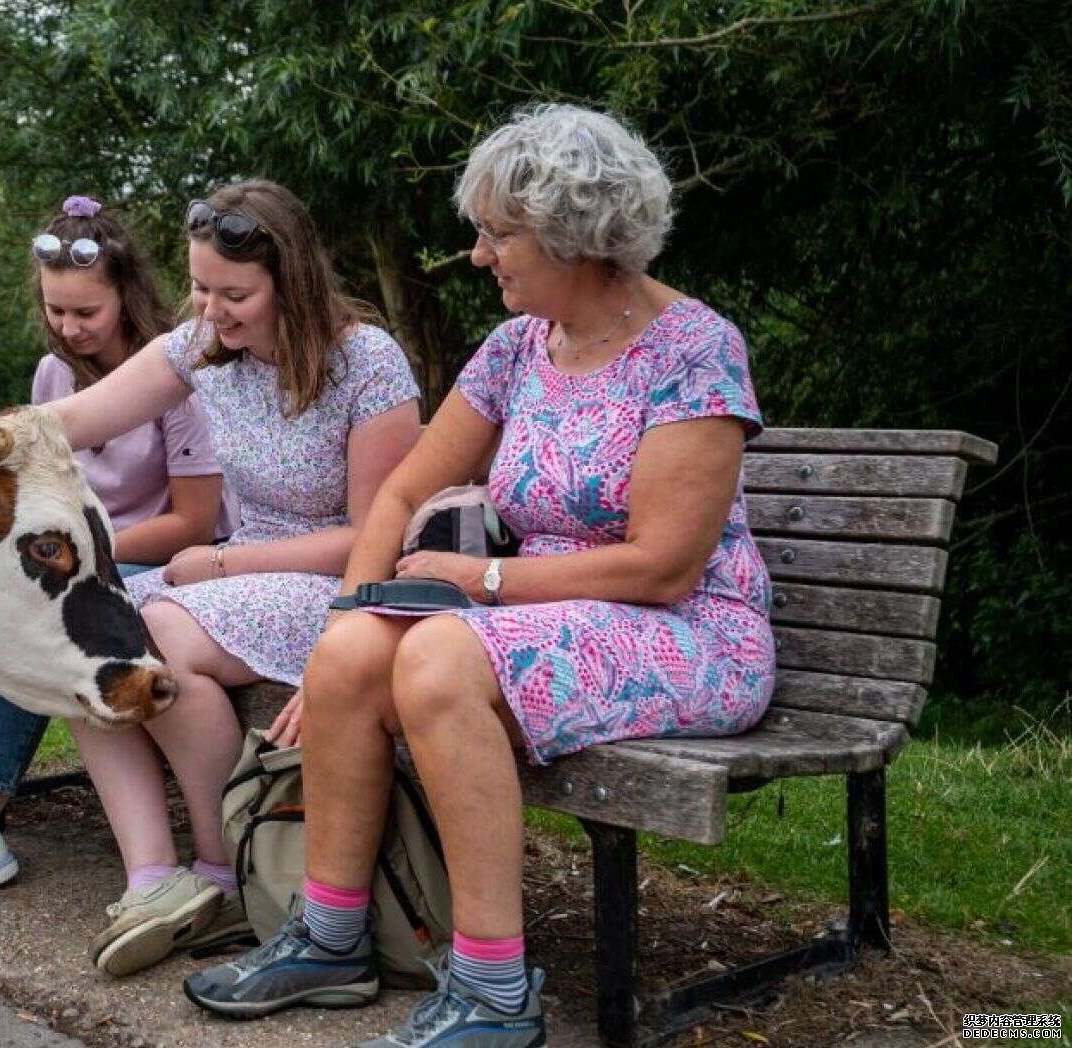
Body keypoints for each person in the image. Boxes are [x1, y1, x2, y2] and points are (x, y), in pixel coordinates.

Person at [181, 104, 776, 1047]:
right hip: (547, 615)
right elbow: (399, 493)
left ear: (575, 237)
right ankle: (332, 937)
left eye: (499, 233)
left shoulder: (694, 350)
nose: (478, 253)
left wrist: (479, 582)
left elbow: (665, 567)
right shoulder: (515, 348)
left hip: (687, 630)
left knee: (436, 661)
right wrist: (347, 615)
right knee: (351, 656)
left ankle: (495, 993)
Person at [42, 180, 422, 976]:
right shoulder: (202, 348)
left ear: (294, 282)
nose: (212, 310)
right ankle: (152, 875)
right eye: (201, 288)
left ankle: (226, 871)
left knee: (165, 629)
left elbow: (371, 539)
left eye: (235, 294)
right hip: (236, 584)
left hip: (334, 589)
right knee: (76, 635)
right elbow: (79, 416)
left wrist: (218, 561)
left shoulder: (368, 363)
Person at [0, 195, 227, 907]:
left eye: (85, 313)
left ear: (125, 297)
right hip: (86, 566)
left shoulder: (181, 381)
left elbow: (194, 519)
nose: (69, 328)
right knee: (13, 599)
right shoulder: (51, 377)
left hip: (161, 557)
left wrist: (83, 560)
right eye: (56, 311)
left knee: (49, 610)